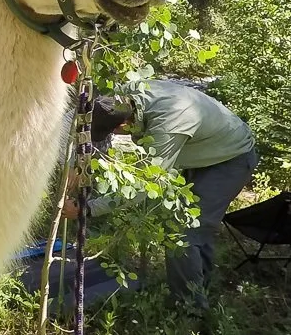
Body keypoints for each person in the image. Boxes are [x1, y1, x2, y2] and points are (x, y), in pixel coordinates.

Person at [64, 79, 257, 313]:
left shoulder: (169, 123)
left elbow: (144, 185)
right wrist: (78, 164)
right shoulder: (122, 98)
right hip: (204, 150)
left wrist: (87, 208)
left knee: (182, 231)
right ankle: (200, 285)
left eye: (113, 131)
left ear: (124, 123)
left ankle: (190, 311)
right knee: (193, 228)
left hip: (230, 158)